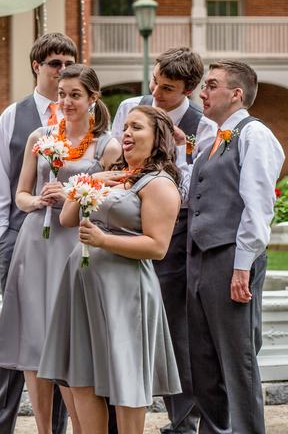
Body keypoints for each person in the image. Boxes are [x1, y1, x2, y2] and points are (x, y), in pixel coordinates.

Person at [0, 64, 120, 433]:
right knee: (34, 337)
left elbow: (115, 204)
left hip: (77, 244)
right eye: (62, 94)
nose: (66, 102)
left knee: (69, 340)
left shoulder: (108, 146)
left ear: (93, 98)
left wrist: (73, 195)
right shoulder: (40, 136)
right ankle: (44, 429)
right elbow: (21, 194)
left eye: (75, 95)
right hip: (36, 241)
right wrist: (37, 201)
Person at [39, 105, 183, 434]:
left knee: (126, 375)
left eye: (137, 127)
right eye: (126, 127)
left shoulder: (159, 184)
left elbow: (157, 246)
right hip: (83, 288)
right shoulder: (114, 176)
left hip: (125, 290)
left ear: (158, 137)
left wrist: (103, 240)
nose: (127, 133)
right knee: (82, 375)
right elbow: (67, 218)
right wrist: (89, 181)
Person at [111, 47, 215, 434]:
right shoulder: (130, 107)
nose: (155, 92)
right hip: (124, 222)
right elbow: (117, 160)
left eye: (167, 88)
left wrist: (182, 149)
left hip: (175, 232)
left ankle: (183, 421)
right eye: (155, 81)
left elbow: (194, 190)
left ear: (189, 89)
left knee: (175, 326)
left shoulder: (203, 125)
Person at [0, 32, 77, 434]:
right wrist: (3, 237)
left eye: (68, 64)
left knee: (64, 337)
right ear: (37, 66)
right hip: (21, 240)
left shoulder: (84, 116)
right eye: (55, 64)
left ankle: (56, 426)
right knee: (16, 337)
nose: (62, 71)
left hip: (68, 244)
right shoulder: (13, 116)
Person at [187, 60, 284, 434]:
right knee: (205, 361)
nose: (203, 92)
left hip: (231, 259)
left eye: (212, 85)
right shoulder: (212, 139)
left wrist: (242, 266)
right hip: (200, 258)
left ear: (236, 94)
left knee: (237, 360)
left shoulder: (254, 134)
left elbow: (258, 207)